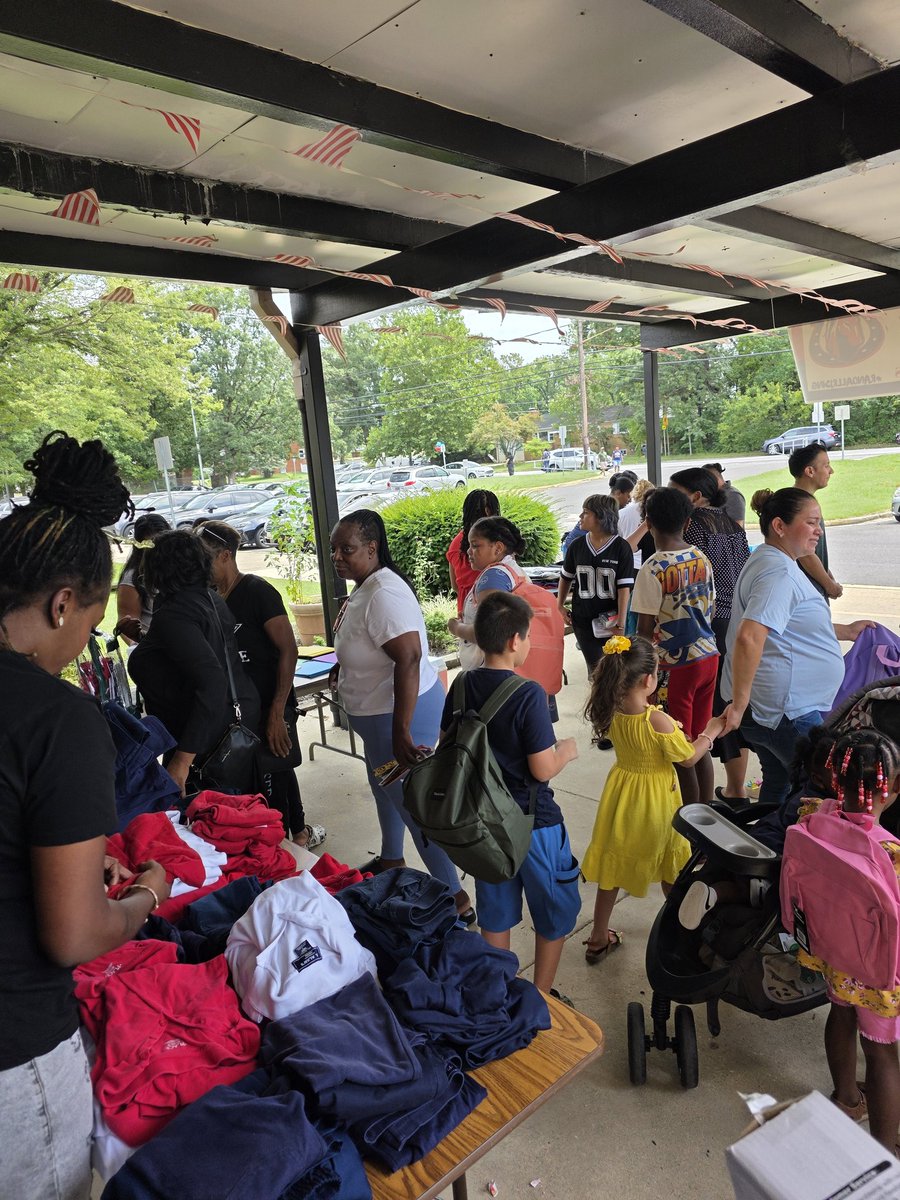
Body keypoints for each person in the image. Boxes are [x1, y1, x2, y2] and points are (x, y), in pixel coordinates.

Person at [0, 431, 171, 1199]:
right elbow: (72, 934)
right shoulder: (55, 717)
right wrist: (144, 898)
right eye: (89, 626)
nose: (82, 647)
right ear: (64, 603)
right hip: (15, 1060)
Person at [330, 509, 474, 922]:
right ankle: (392, 860)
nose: (338, 556)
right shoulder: (365, 585)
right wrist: (346, 666)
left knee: (411, 801)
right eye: (334, 549)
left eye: (348, 549)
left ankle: (457, 899)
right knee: (384, 787)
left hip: (398, 715)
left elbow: (408, 658)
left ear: (372, 549)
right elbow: (369, 642)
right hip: (377, 714)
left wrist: (401, 731)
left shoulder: (384, 593)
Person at [440, 593, 580, 997]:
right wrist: (565, 752)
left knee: (496, 915)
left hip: (484, 827)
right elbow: (542, 768)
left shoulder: (464, 684)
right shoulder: (528, 694)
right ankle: (540, 996)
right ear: (516, 641)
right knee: (553, 913)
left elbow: (448, 743)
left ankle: (497, 993)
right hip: (534, 826)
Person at [721, 488, 873, 806]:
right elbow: (749, 636)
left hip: (772, 708)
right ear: (780, 526)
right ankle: (793, 847)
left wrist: (844, 631)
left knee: (779, 778)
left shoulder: (769, 558)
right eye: (811, 522)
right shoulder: (779, 573)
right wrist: (738, 704)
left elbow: (784, 625)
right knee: (826, 787)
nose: (818, 530)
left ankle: (769, 841)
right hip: (785, 711)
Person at [580, 635, 725, 963]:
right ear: (649, 680)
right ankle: (681, 935)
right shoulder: (655, 719)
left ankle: (598, 937)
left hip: (622, 795)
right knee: (672, 866)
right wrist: (711, 731)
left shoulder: (611, 709)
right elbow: (687, 757)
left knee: (613, 865)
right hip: (655, 801)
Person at [790, 729, 900, 1151]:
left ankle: (847, 1099)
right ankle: (885, 1150)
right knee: (882, 1051)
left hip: (834, 953)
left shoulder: (812, 816)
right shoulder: (889, 854)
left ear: (834, 778)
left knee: (840, 1015)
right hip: (880, 970)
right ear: (888, 792)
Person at [196, 521, 323, 847]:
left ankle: (295, 839)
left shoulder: (257, 591)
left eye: (206, 557)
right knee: (267, 774)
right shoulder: (210, 598)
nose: (201, 565)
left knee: (276, 769)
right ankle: (299, 834)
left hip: (271, 704)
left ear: (226, 555)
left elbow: (288, 650)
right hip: (241, 713)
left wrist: (277, 712)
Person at [128, 529, 261, 797]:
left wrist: (182, 760)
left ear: (158, 568)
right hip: (220, 723)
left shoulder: (177, 612)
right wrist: (147, 640)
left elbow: (212, 680)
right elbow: (195, 648)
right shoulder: (207, 598)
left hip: (202, 740)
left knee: (212, 820)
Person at [631, 487, 719, 805]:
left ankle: (692, 827)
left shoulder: (652, 569)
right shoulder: (700, 557)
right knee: (699, 741)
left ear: (648, 523)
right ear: (686, 522)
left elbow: (643, 632)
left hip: (675, 668)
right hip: (708, 657)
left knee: (680, 751)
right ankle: (707, 813)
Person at [670, 467, 750, 803]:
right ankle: (736, 787)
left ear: (696, 497)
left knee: (704, 711)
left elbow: (691, 580)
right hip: (737, 619)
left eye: (676, 492)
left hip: (705, 623)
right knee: (729, 702)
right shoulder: (732, 524)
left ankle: (699, 797)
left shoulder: (694, 526)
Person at [557, 494, 634, 678]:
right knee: (595, 671)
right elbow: (565, 577)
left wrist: (622, 623)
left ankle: (612, 705)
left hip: (612, 622)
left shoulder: (621, 547)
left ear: (600, 516)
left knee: (615, 671)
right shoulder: (576, 546)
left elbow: (624, 589)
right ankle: (601, 705)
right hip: (583, 620)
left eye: (585, 513)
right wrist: (559, 605)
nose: (580, 517)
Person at [448, 516, 526, 670]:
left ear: (498, 548)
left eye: (475, 545)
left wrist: (457, 628)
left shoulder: (493, 578)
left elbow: (490, 633)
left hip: (490, 676)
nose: (469, 551)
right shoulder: (512, 571)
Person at [788, 442, 842, 602]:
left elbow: (814, 550)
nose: (831, 471)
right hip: (807, 595)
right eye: (826, 466)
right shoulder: (798, 505)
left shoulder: (806, 501)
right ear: (810, 471)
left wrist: (828, 577)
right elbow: (805, 554)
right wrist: (830, 586)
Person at [114, 511, 170, 643]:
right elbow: (126, 625)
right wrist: (140, 647)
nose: (158, 550)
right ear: (139, 546)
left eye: (163, 543)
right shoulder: (132, 579)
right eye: (150, 545)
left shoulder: (179, 568)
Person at [445, 489, 500, 617]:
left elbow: (455, 585)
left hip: (465, 610)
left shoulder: (456, 543)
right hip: (491, 612)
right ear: (488, 511)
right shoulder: (493, 542)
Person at [702, 462, 745, 527]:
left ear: (715, 479)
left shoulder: (733, 495)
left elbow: (737, 527)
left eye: (705, 481)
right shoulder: (714, 493)